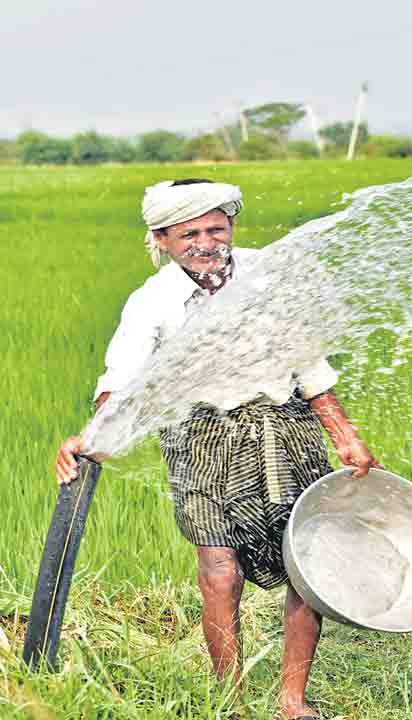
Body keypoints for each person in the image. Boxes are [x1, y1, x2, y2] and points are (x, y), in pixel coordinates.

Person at [54, 179, 378, 720]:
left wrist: (344, 434)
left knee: (306, 566)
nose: (206, 242)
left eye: (216, 228)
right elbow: (122, 380)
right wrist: (92, 439)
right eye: (189, 234)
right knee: (219, 570)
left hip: (284, 431)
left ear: (231, 227)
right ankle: (231, 703)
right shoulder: (151, 303)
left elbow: (310, 365)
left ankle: (292, 702)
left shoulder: (269, 277)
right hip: (198, 438)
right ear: (161, 239)